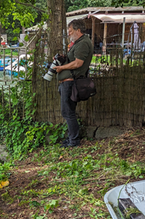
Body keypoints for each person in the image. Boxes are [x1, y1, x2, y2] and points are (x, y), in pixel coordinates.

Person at [52, 19, 94, 148]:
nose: (69, 33)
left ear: (78, 30)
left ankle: (74, 141)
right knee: (68, 111)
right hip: (68, 81)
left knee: (68, 112)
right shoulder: (79, 43)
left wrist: (61, 68)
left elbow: (78, 63)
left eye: (70, 31)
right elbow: (74, 59)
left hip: (71, 82)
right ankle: (71, 139)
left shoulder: (82, 43)